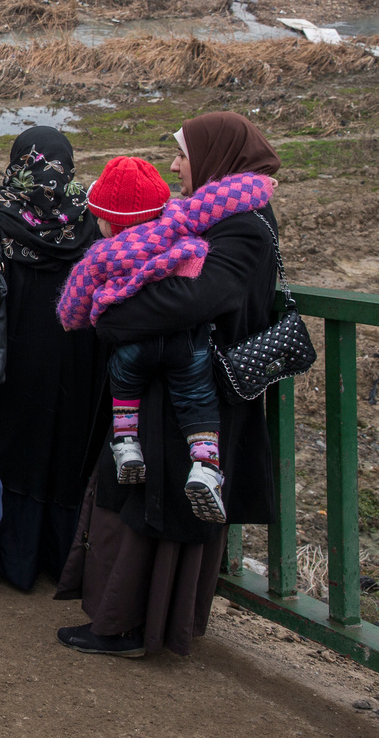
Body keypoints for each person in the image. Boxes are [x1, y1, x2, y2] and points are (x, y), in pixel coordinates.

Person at [56, 112, 283, 658]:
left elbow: (194, 299)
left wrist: (109, 315)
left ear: (216, 157)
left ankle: (135, 629)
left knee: (159, 508)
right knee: (147, 501)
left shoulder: (243, 227)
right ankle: (129, 622)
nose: (176, 165)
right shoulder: (222, 217)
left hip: (197, 400)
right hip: (183, 388)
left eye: (184, 154)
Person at [61, 156, 277, 524]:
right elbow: (195, 264)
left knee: (124, 385)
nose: (176, 164)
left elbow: (73, 307)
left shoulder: (102, 254)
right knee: (197, 398)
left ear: (108, 222)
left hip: (135, 347)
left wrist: (90, 314)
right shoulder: (179, 229)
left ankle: (127, 446)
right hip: (186, 344)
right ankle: (206, 464)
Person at [0, 126, 105, 591]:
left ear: (19, 163)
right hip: (76, 362)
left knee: (4, 448)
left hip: (7, 360)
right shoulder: (90, 218)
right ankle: (57, 559)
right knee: (61, 451)